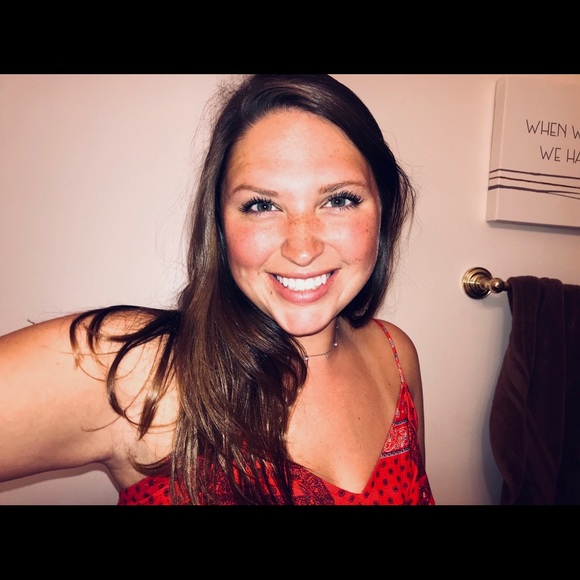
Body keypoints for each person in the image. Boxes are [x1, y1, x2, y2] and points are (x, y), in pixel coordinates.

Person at [0, 74, 434, 505]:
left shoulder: (394, 356)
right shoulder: (140, 373)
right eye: (262, 205)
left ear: (383, 209)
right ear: (220, 224)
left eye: (339, 200)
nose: (302, 248)